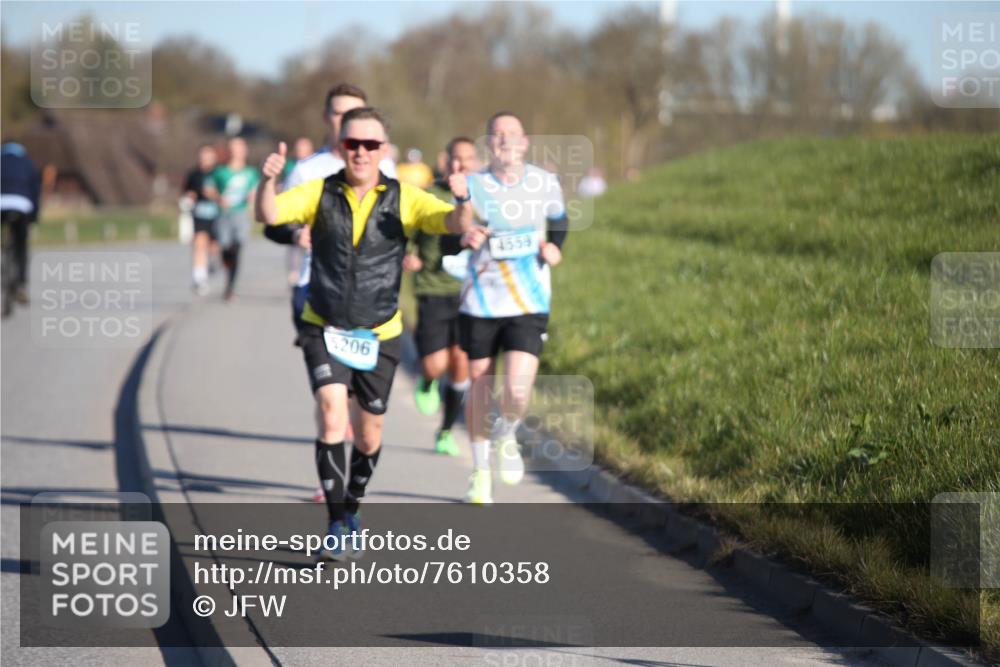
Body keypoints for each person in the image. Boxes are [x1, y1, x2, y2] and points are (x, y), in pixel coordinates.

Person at [255, 107, 473, 560]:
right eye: (352, 143)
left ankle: (351, 508)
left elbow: (455, 225)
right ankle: (336, 524)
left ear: (383, 150)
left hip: (380, 331)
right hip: (325, 322)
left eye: (370, 145)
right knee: (333, 412)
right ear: (341, 147)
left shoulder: (406, 198)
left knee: (368, 434)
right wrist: (267, 182)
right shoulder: (319, 193)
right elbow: (271, 213)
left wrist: (463, 199)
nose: (360, 152)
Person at [458, 112, 568, 505]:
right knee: (481, 389)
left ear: (525, 143)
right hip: (480, 300)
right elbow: (454, 232)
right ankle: (480, 471)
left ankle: (506, 435)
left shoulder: (544, 182)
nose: (505, 140)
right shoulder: (473, 185)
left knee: (517, 392)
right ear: (489, 143)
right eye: (497, 134)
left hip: (529, 300)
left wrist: (555, 246)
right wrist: (464, 236)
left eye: (512, 134)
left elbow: (559, 219)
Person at [403, 137, 480, 456]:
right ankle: (426, 381)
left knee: (461, 363)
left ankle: (446, 430)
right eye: (455, 159)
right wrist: (411, 255)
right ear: (444, 161)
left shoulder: (485, 199)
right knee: (436, 364)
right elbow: (408, 232)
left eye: (467, 159)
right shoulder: (429, 195)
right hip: (433, 288)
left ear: (476, 163)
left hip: (471, 295)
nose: (460, 165)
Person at [205, 136, 259, 302]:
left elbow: (256, 190)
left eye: (240, 147)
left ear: (245, 150)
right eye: (234, 147)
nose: (237, 151)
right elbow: (208, 188)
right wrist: (219, 199)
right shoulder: (220, 171)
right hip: (224, 214)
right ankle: (222, 264)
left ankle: (230, 287)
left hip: (241, 214)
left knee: (237, 249)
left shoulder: (251, 172)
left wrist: (252, 197)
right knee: (226, 248)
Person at [0, 142, 41, 316]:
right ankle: (22, 286)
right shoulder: (28, 163)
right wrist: (34, 216)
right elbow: (35, 191)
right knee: (21, 245)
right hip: (21, 205)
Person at [183, 144, 221, 295]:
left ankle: (212, 262)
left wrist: (215, 195)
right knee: (199, 244)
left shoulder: (219, 173)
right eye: (203, 156)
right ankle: (199, 279)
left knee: (214, 247)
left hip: (217, 215)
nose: (205, 159)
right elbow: (188, 191)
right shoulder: (193, 174)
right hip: (199, 214)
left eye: (208, 156)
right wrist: (189, 197)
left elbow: (226, 193)